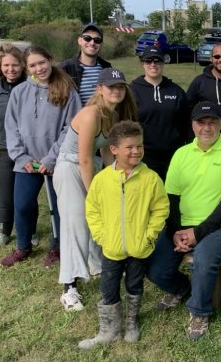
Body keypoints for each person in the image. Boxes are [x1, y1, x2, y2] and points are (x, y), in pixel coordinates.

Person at [145, 101, 221, 340]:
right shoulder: (181, 154)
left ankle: (199, 312)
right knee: (155, 268)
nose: (207, 128)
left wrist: (197, 233)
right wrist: (175, 231)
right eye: (202, 122)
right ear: (193, 125)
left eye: (213, 122)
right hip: (183, 226)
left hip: (219, 227)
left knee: (203, 259)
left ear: (220, 124)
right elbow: (171, 197)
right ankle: (183, 289)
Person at [79, 121, 169, 349]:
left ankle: (131, 323)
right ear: (114, 150)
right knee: (108, 287)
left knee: (134, 284)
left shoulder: (150, 179)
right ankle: (108, 330)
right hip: (111, 248)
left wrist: (150, 235)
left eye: (139, 146)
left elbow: (160, 209)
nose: (136, 151)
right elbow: (93, 209)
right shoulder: (102, 180)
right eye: (129, 147)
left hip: (139, 247)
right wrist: (101, 236)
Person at [54, 68, 137, 311]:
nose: (116, 90)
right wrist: (94, 195)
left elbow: (104, 153)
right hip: (71, 168)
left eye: (120, 86)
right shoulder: (90, 114)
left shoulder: (111, 115)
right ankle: (69, 287)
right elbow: (84, 160)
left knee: (95, 222)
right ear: (99, 89)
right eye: (111, 86)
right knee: (76, 223)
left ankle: (96, 265)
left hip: (90, 165)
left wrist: (116, 180)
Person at [1, 45, 81, 267]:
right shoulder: (19, 93)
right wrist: (23, 158)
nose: (39, 68)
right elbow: (11, 127)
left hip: (55, 162)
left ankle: (56, 248)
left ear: (50, 59)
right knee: (23, 205)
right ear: (27, 69)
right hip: (26, 163)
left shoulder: (67, 90)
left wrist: (51, 159)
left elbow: (71, 128)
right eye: (33, 65)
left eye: (42, 62)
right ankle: (23, 247)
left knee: (58, 207)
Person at [0, 43, 27, 250]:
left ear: (23, 66)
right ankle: (3, 233)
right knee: (2, 196)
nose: (11, 69)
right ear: (0, 67)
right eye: (6, 65)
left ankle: (29, 230)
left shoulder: (31, 88)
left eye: (15, 65)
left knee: (26, 197)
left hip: (27, 152)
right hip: (1, 150)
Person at [130, 46, 191, 180]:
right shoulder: (132, 90)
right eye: (148, 61)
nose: (153, 64)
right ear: (142, 63)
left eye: (157, 61)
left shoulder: (176, 91)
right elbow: (126, 125)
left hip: (174, 154)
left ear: (163, 63)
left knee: (172, 196)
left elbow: (187, 122)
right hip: (144, 155)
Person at [60, 23, 112, 106]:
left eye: (97, 40)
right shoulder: (65, 68)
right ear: (79, 40)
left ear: (101, 44)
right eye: (87, 38)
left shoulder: (106, 68)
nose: (92, 43)